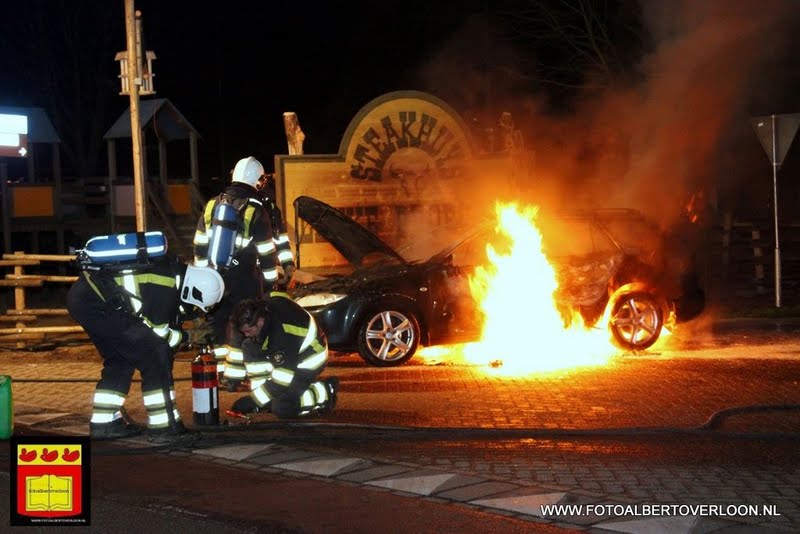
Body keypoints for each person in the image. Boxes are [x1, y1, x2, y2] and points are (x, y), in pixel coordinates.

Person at [67, 258, 225, 439]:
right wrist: (189, 337)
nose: (191, 311)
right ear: (193, 291)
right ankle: (164, 427)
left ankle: (104, 422)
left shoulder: (171, 272)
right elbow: (158, 335)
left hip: (85, 298)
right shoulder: (166, 284)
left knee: (121, 359)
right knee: (157, 354)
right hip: (97, 303)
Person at [192, 156, 281, 374]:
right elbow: (267, 253)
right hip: (245, 278)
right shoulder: (256, 209)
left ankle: (217, 370)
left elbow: (200, 244)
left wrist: (204, 275)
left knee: (218, 323)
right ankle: (234, 376)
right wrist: (271, 285)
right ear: (257, 180)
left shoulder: (212, 204)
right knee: (243, 324)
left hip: (215, 276)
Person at [227, 295, 338, 418]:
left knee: (283, 407)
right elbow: (238, 340)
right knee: (249, 346)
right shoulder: (263, 310)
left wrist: (252, 401)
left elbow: (282, 379)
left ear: (260, 322)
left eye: (248, 331)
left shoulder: (282, 333)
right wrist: (259, 398)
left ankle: (325, 391)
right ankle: (265, 399)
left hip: (309, 360)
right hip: (291, 349)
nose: (246, 335)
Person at [261, 173, 296, 290]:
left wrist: (288, 266)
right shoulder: (244, 210)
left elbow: (281, 240)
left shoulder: (271, 209)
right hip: (248, 278)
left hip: (268, 279)